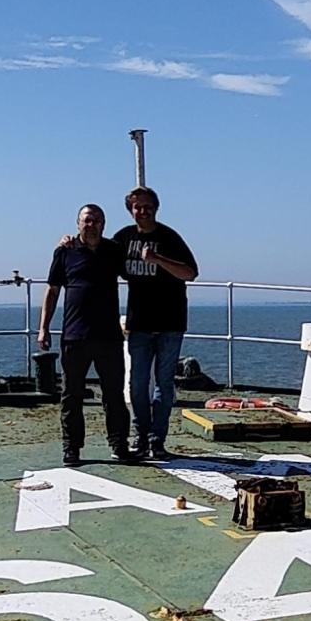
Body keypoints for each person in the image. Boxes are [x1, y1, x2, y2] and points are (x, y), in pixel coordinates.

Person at [37, 203, 132, 464]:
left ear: (104, 224)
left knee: (113, 394)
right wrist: (43, 327)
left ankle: (119, 444)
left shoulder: (114, 251)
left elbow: (135, 278)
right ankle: (72, 448)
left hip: (109, 336)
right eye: (87, 220)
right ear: (78, 224)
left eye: (97, 220)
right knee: (72, 395)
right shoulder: (65, 252)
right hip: (74, 336)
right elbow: (52, 290)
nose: (91, 225)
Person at [111, 186, 199, 460]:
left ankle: (156, 440)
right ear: (130, 210)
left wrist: (157, 259)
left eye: (148, 206)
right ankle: (140, 436)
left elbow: (190, 273)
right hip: (139, 323)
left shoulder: (169, 237)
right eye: (138, 206)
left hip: (171, 322)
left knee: (164, 384)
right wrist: (69, 243)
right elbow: (98, 258)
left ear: (156, 208)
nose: (143, 210)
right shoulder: (123, 239)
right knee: (137, 384)